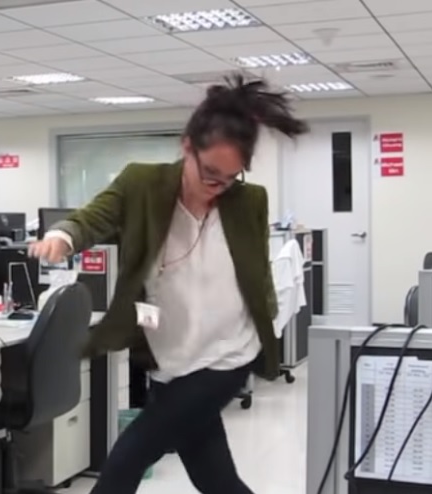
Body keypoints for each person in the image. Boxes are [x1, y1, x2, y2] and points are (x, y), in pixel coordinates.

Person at [28, 74, 308, 494]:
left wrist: (266, 313)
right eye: (209, 173)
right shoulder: (142, 183)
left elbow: (255, 274)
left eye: (229, 178)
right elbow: (95, 217)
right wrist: (63, 237)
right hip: (170, 361)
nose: (216, 187)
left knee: (126, 460)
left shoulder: (248, 201)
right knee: (216, 480)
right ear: (187, 147)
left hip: (227, 357)